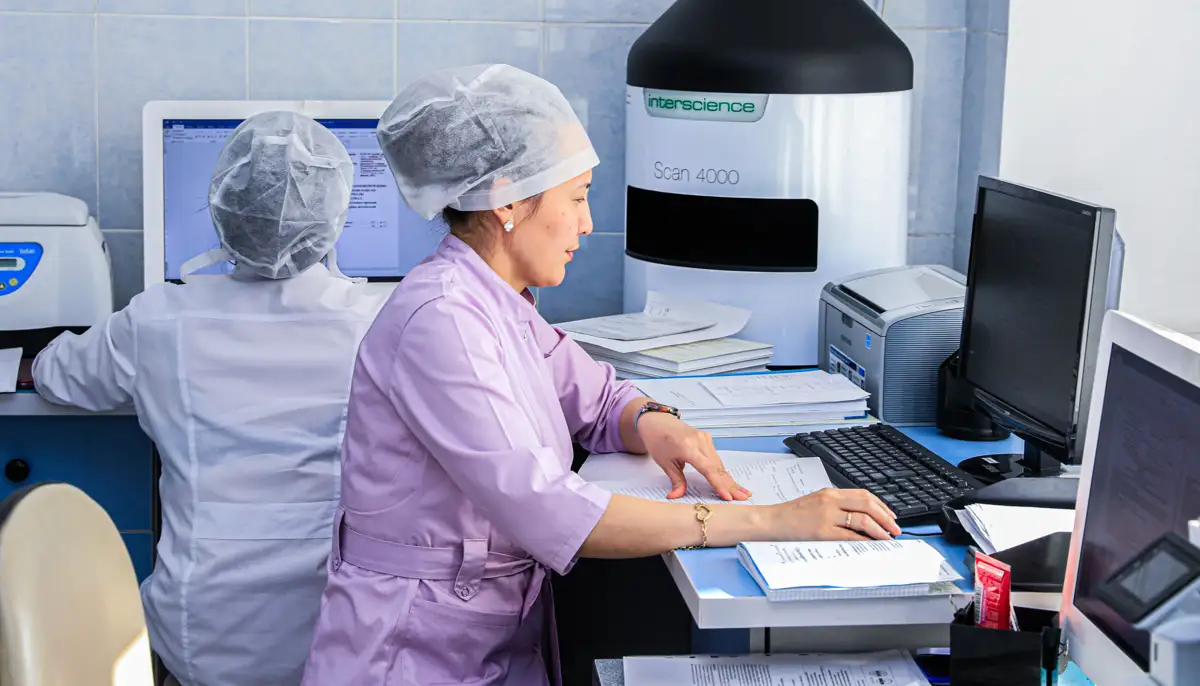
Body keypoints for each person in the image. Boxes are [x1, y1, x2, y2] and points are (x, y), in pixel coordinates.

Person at [301, 64, 900, 686]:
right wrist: (773, 520)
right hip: (410, 650)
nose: (586, 224)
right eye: (577, 196)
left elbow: (597, 396)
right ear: (507, 201)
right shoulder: (442, 320)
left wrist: (654, 421)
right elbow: (552, 511)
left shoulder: (495, 299)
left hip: (480, 631)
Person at [34, 112, 386, 686]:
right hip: (335, 638)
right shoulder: (379, 321)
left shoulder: (159, 319)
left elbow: (58, 375)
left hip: (201, 642)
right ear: (334, 216)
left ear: (223, 207)